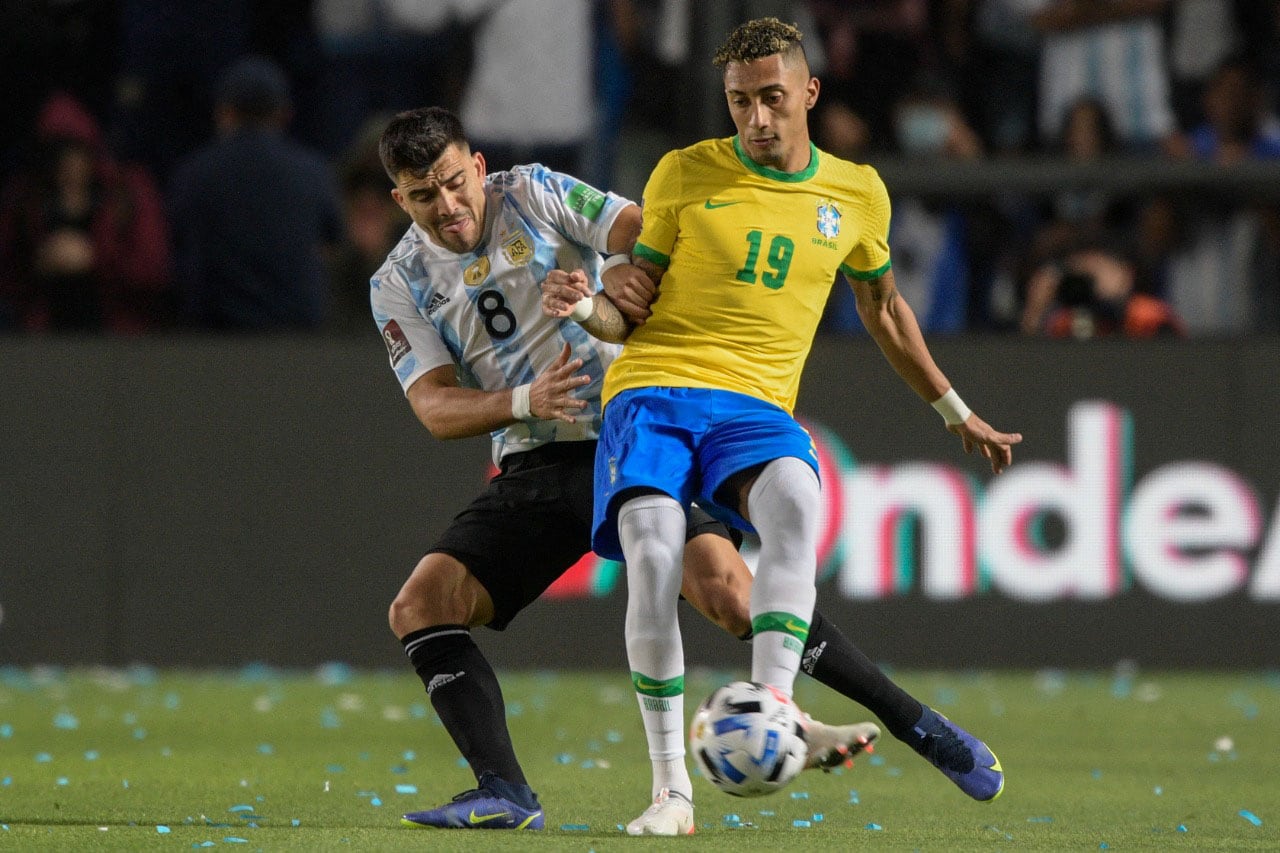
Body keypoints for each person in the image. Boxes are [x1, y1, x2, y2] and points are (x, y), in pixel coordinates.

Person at [371, 105, 978, 835]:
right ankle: (504, 789)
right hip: (533, 458)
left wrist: (621, 281)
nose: (447, 207)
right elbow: (434, 407)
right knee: (420, 606)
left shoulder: (530, 191)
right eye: (423, 195)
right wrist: (526, 398)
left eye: (452, 184)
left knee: (727, 593)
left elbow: (643, 228)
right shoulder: (397, 280)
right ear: (399, 200)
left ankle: (909, 722)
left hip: (626, 431)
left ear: (475, 166)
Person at [542, 17, 1021, 834]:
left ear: (810, 92)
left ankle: (772, 705)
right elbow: (632, 310)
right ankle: (671, 793)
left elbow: (886, 310)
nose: (756, 119)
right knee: (656, 553)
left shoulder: (858, 191)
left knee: (798, 497)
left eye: (771, 98)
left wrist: (955, 407)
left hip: (755, 408)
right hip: (654, 390)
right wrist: (588, 307)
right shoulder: (685, 173)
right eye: (739, 103)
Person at [168, 55, 343, 331]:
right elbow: (333, 242)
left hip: (214, 336)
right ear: (284, 114)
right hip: (298, 336)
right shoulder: (312, 171)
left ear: (224, 112)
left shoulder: (195, 172)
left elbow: (176, 245)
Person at [0, 92, 171, 333]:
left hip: (116, 340)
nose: (69, 167)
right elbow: (10, 274)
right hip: (45, 338)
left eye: (76, 154)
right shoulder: (26, 200)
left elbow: (153, 270)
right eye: (57, 158)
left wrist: (94, 259)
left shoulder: (126, 193)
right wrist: (40, 263)